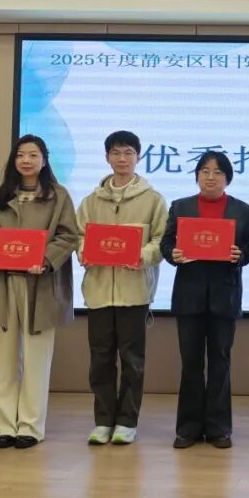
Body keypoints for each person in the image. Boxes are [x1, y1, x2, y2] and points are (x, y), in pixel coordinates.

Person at [0, 135, 79, 449]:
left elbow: (69, 236)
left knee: (37, 360)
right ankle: (5, 426)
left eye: (33, 155)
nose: (26, 160)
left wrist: (45, 260)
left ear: (44, 160)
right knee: (2, 360)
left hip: (41, 285)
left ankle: (31, 427)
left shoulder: (59, 196)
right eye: (21, 155)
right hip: (3, 283)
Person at [76, 130, 167, 446]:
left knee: (132, 361)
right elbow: (79, 236)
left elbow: (162, 240)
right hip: (99, 291)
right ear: (107, 157)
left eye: (128, 152)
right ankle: (103, 420)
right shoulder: (91, 201)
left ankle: (127, 421)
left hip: (135, 292)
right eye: (116, 153)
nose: (122, 158)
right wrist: (84, 252)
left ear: (138, 157)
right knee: (100, 359)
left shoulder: (153, 199)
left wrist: (141, 255)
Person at [160, 150, 249, 449]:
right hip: (189, 296)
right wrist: (173, 254)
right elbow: (166, 243)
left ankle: (218, 428)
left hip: (225, 296)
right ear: (197, 176)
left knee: (220, 362)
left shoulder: (242, 210)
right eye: (205, 171)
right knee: (190, 362)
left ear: (228, 178)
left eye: (218, 172)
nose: (211, 177)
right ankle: (188, 428)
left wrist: (241, 255)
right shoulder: (181, 207)